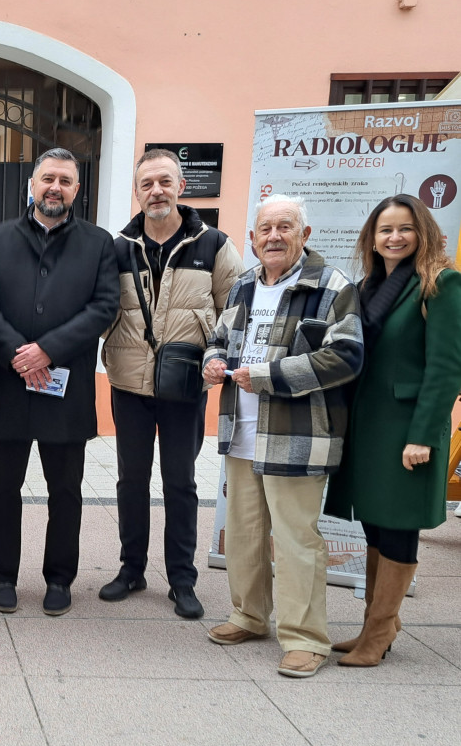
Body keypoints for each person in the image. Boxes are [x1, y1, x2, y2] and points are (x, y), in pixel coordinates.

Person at [202, 194, 363, 679]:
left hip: (298, 434)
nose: (273, 237)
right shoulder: (244, 285)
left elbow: (346, 356)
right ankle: (249, 617)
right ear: (253, 238)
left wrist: (268, 376)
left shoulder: (331, 285)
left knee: (296, 540)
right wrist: (213, 361)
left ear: (304, 234)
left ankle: (305, 639)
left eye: (284, 227)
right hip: (241, 429)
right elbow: (220, 338)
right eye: (265, 229)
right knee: (245, 534)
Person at [0, 147, 119, 616]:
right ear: (32, 185)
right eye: (48, 178)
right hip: (8, 384)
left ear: (76, 190)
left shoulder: (99, 243)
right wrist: (20, 354)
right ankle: (3, 576)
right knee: (1, 488)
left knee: (66, 492)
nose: (55, 187)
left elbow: (104, 306)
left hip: (66, 389)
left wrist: (49, 350)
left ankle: (59, 578)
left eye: (65, 180)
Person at [100, 149, 242, 618]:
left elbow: (235, 312)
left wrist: (216, 356)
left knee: (180, 482)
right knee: (131, 481)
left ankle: (182, 579)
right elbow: (101, 308)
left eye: (164, 181)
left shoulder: (213, 244)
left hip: (185, 385)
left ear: (181, 186)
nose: (156, 191)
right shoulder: (119, 247)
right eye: (147, 184)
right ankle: (131, 569)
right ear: (136, 192)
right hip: (129, 383)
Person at [324, 194, 461, 667]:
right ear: (372, 237)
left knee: (399, 524)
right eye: (386, 230)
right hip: (367, 426)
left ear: (423, 232)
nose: (395, 237)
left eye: (405, 228)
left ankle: (378, 632)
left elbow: (446, 368)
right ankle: (376, 624)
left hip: (407, 429)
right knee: (375, 520)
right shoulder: (368, 287)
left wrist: (423, 435)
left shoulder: (441, 283)